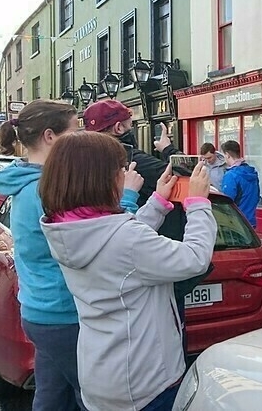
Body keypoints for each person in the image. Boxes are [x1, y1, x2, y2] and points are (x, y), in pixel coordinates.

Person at [39, 131, 216, 411]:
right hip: (143, 382)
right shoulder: (124, 239)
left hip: (103, 371)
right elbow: (194, 258)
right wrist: (198, 205)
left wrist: (158, 201)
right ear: (101, 178)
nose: (126, 174)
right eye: (120, 168)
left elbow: (119, 239)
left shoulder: (66, 226)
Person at [0, 100, 143, 411]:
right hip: (65, 314)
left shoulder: (26, 182)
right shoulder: (47, 189)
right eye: (74, 131)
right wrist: (127, 196)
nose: (80, 137)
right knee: (95, 397)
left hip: (40, 311)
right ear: (50, 136)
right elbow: (100, 245)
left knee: (52, 395)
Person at [83, 99, 211, 360]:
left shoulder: (80, 191)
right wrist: (168, 151)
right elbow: (190, 176)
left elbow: (121, 233)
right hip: (156, 265)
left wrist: (156, 202)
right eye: (130, 122)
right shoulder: (133, 162)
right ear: (119, 127)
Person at [220, 140, 260, 228]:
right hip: (250, 220)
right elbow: (256, 197)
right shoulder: (252, 172)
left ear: (227, 155)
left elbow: (226, 202)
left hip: (236, 223)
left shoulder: (231, 175)